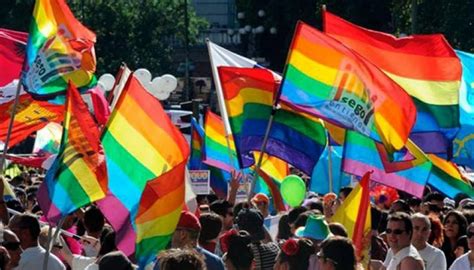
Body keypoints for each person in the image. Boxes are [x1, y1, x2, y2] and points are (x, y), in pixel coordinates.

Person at [160, 211, 224, 270]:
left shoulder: (164, 262)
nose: (170, 236)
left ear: (183, 234)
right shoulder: (216, 262)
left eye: (172, 231)